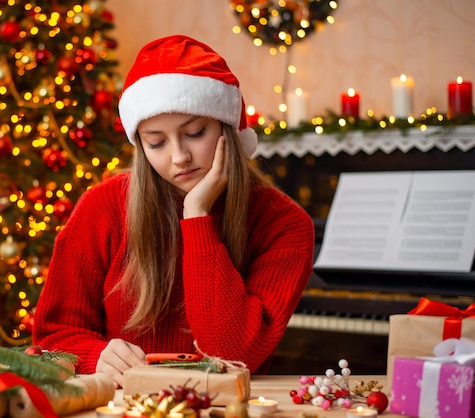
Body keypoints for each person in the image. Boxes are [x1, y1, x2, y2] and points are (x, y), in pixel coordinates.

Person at [33, 35, 314, 388]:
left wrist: (197, 215)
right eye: (157, 142)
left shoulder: (283, 222)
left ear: (226, 126)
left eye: (195, 133)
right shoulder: (102, 208)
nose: (179, 156)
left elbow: (232, 353)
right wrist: (95, 355)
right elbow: (51, 339)